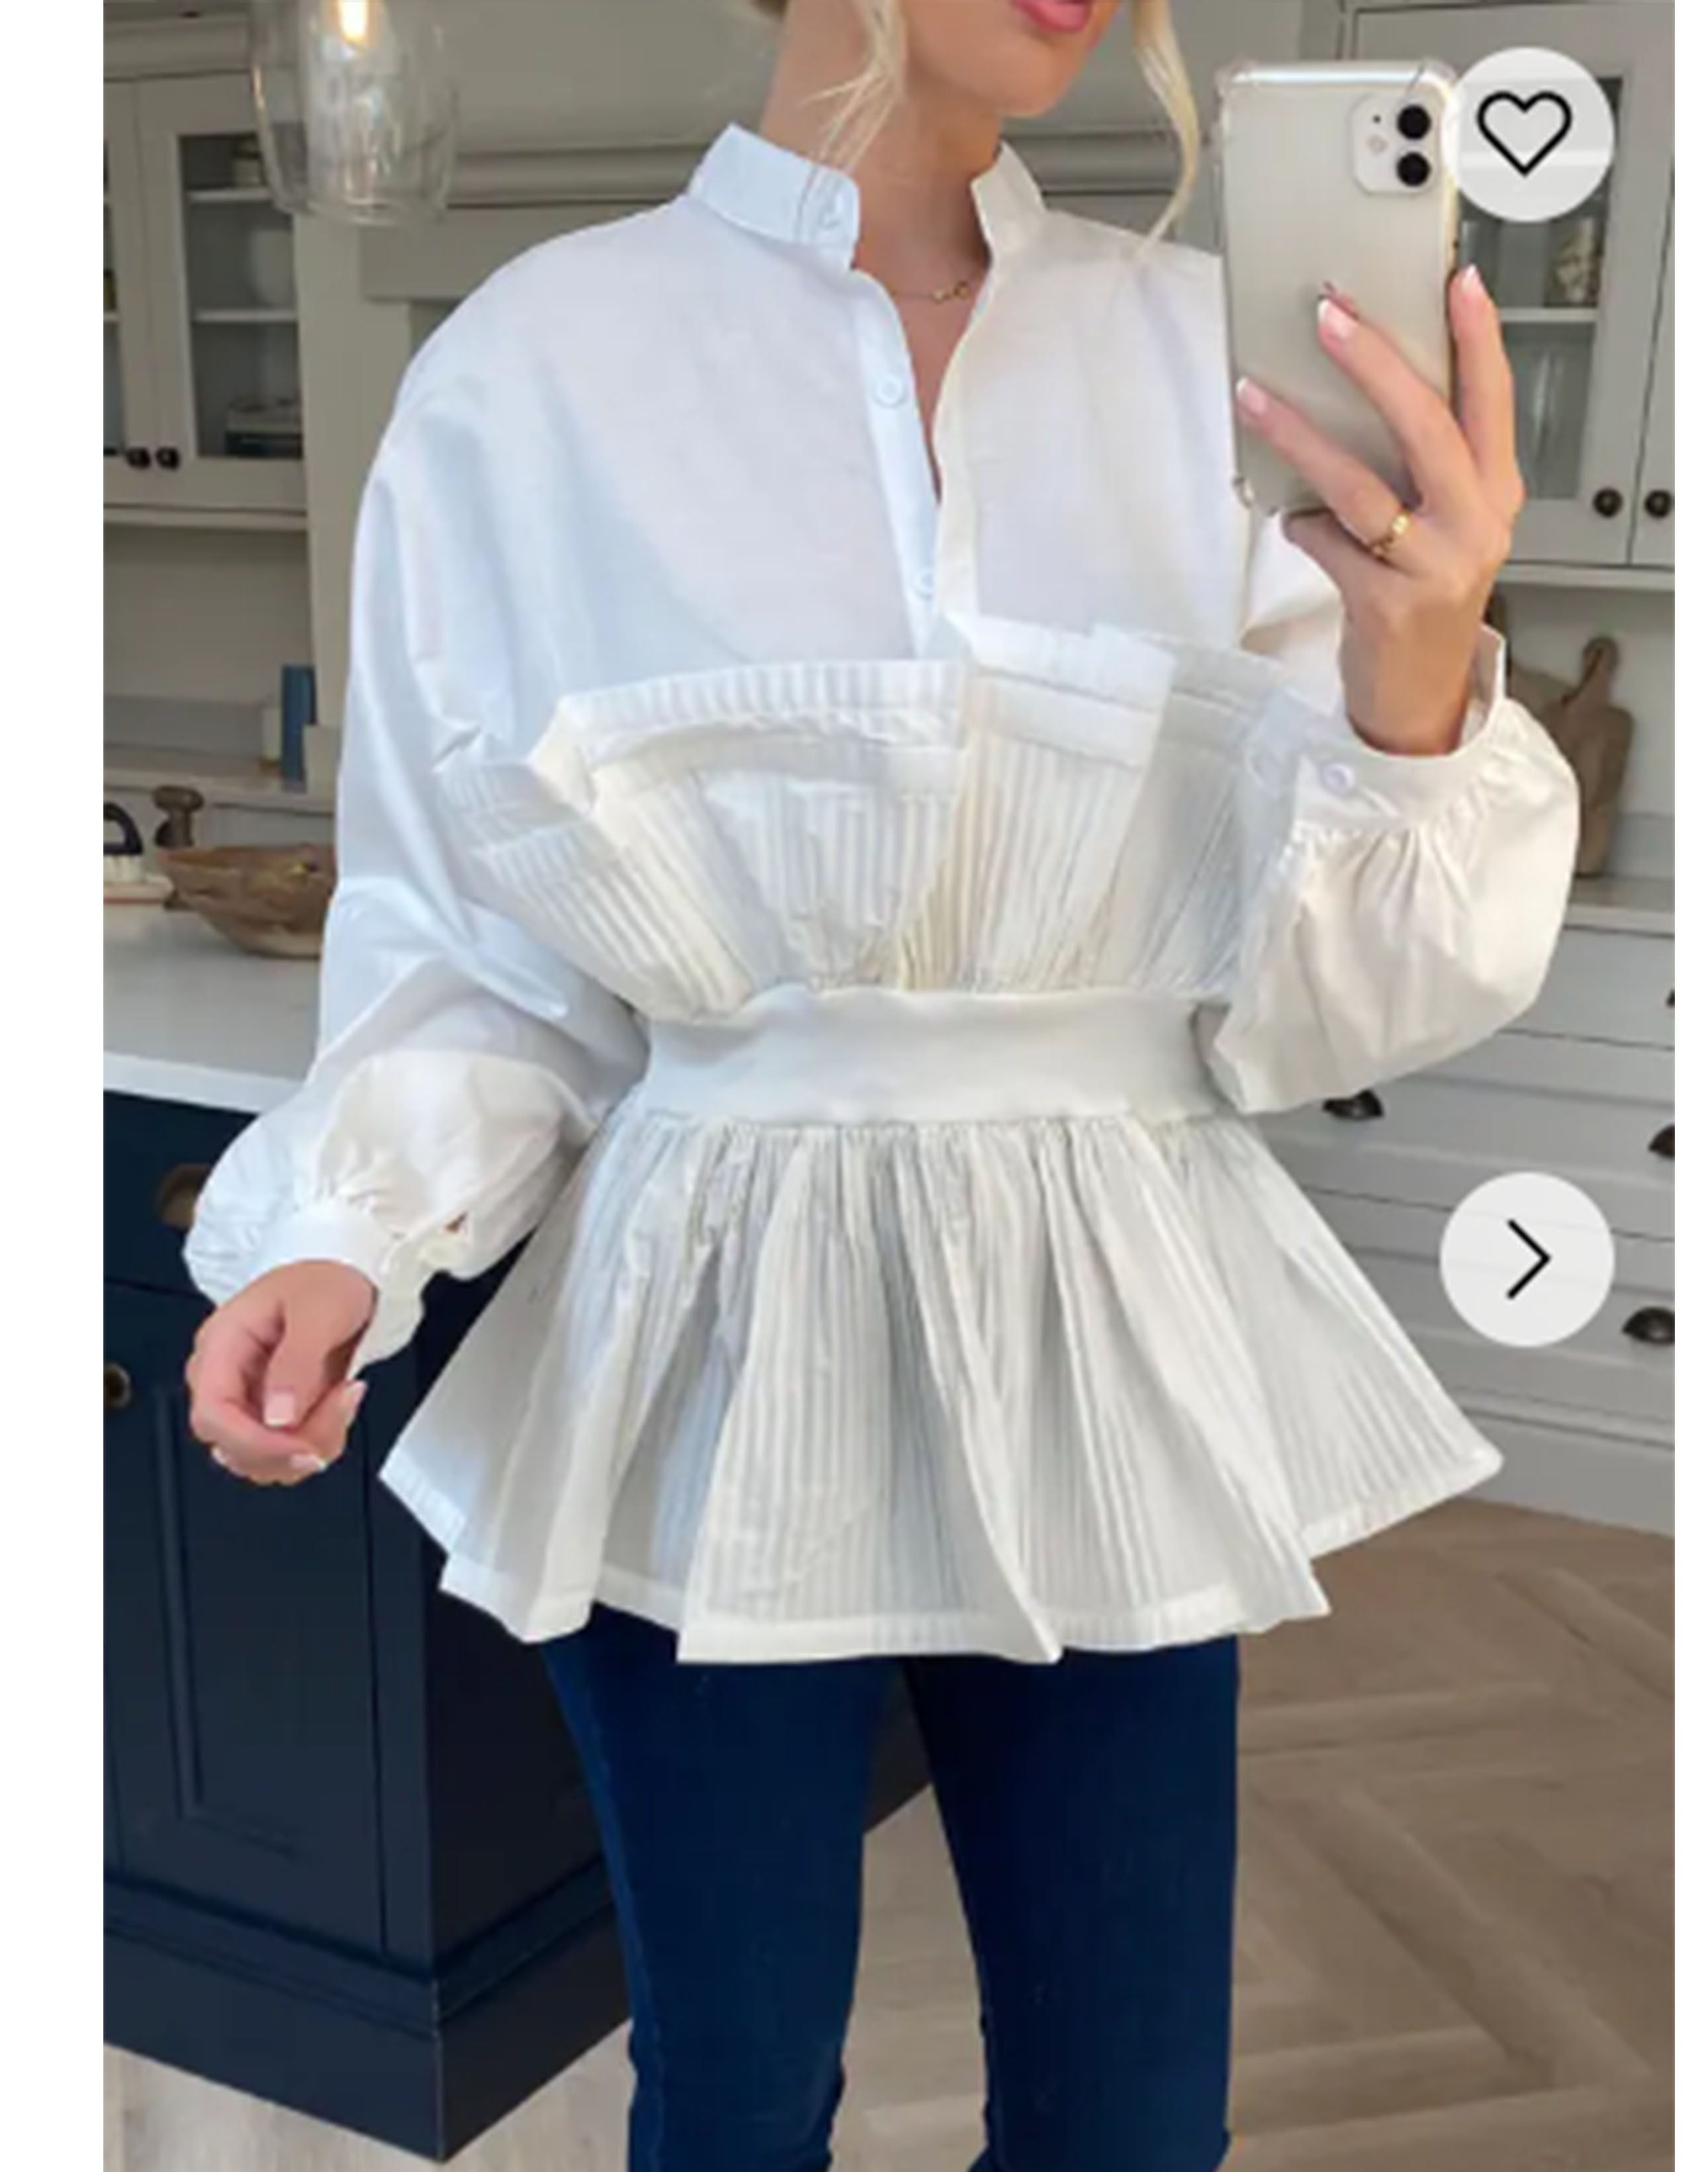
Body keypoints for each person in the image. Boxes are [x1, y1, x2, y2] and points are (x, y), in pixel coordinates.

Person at [181, 3, 1580, 2165]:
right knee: (732, 2095)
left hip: (1104, 1326)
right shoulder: (535, 373)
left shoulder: (1209, 357)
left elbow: (1316, 1009)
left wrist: (1419, 677)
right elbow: (481, 947)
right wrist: (351, 1231)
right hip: (704, 1334)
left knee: (1131, 2117)